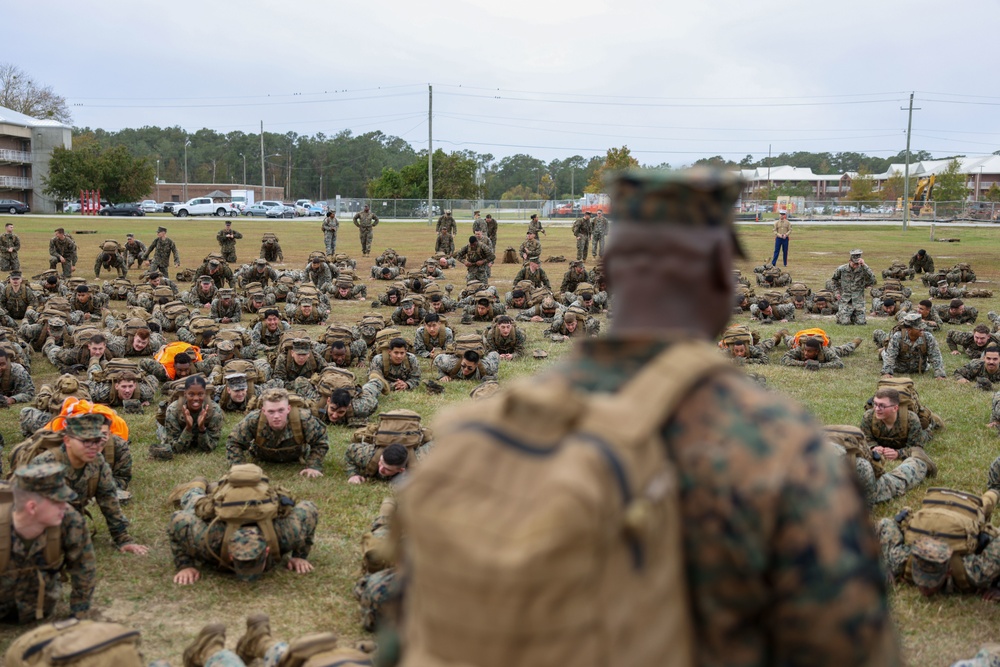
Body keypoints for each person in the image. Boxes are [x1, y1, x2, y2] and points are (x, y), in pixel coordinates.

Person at [393, 168, 898, 666]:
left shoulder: (499, 423)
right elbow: (850, 643)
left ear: (609, 273)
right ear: (723, 279)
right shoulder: (779, 447)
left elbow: (409, 631)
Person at [167, 464, 318, 585]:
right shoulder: (211, 539)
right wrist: (184, 565)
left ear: (266, 551)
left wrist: (300, 556)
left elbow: (309, 509)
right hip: (224, 509)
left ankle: (223, 490)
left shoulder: (286, 534)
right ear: (231, 555)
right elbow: (178, 519)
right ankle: (200, 485)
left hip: (259, 505)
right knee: (194, 502)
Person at [31, 410, 149, 554]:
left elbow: (109, 501)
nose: (93, 446)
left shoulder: (97, 462)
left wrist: (122, 539)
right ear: (68, 440)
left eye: (97, 440)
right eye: (85, 441)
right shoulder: (45, 464)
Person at [0, 462, 96, 624]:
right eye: (57, 502)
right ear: (32, 507)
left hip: (39, 608)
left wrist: (78, 617)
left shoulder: (70, 520)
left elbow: (83, 568)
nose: (65, 507)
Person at [225, 388, 328, 477]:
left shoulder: (303, 419)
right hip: (261, 456)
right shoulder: (254, 420)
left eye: (281, 410)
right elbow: (234, 442)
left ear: (288, 409)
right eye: (271, 412)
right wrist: (238, 467)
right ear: (264, 411)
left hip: (295, 457)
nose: (276, 416)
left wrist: (313, 466)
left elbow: (320, 441)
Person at [153, 375, 225, 460]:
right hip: (180, 431)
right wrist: (188, 428)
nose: (196, 398)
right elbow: (176, 449)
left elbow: (209, 448)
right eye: (191, 394)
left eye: (200, 394)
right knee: (163, 434)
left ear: (205, 394)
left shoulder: (215, 411)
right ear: (185, 394)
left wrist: (202, 428)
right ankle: (160, 425)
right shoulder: (173, 411)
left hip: (200, 433)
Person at [860, 387, 932, 464]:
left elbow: (916, 448)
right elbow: (865, 440)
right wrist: (873, 448)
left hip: (922, 431)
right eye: (875, 404)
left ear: (895, 408)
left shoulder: (911, 419)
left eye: (882, 406)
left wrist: (898, 454)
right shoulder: (868, 416)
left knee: (927, 431)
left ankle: (932, 420)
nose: (877, 409)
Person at [879, 312, 947, 379]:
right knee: (886, 355)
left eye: (922, 326)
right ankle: (882, 352)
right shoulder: (898, 337)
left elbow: (935, 356)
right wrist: (887, 373)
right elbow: (890, 356)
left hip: (920, 368)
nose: (922, 329)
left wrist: (940, 374)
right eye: (918, 328)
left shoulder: (928, 337)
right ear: (909, 330)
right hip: (899, 367)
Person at [830, 248, 876, 325]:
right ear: (849, 261)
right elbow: (834, 280)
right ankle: (841, 314)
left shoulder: (863, 269)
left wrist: (864, 266)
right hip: (846, 300)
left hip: (858, 301)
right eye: (854, 264)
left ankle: (853, 315)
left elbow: (872, 280)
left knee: (861, 323)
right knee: (844, 322)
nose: (856, 266)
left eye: (857, 264)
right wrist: (837, 293)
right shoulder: (842, 269)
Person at [347, 441, 426, 484]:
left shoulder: (419, 464)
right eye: (381, 462)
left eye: (387, 469)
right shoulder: (367, 455)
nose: (381, 469)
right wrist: (353, 474)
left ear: (401, 470)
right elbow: (350, 449)